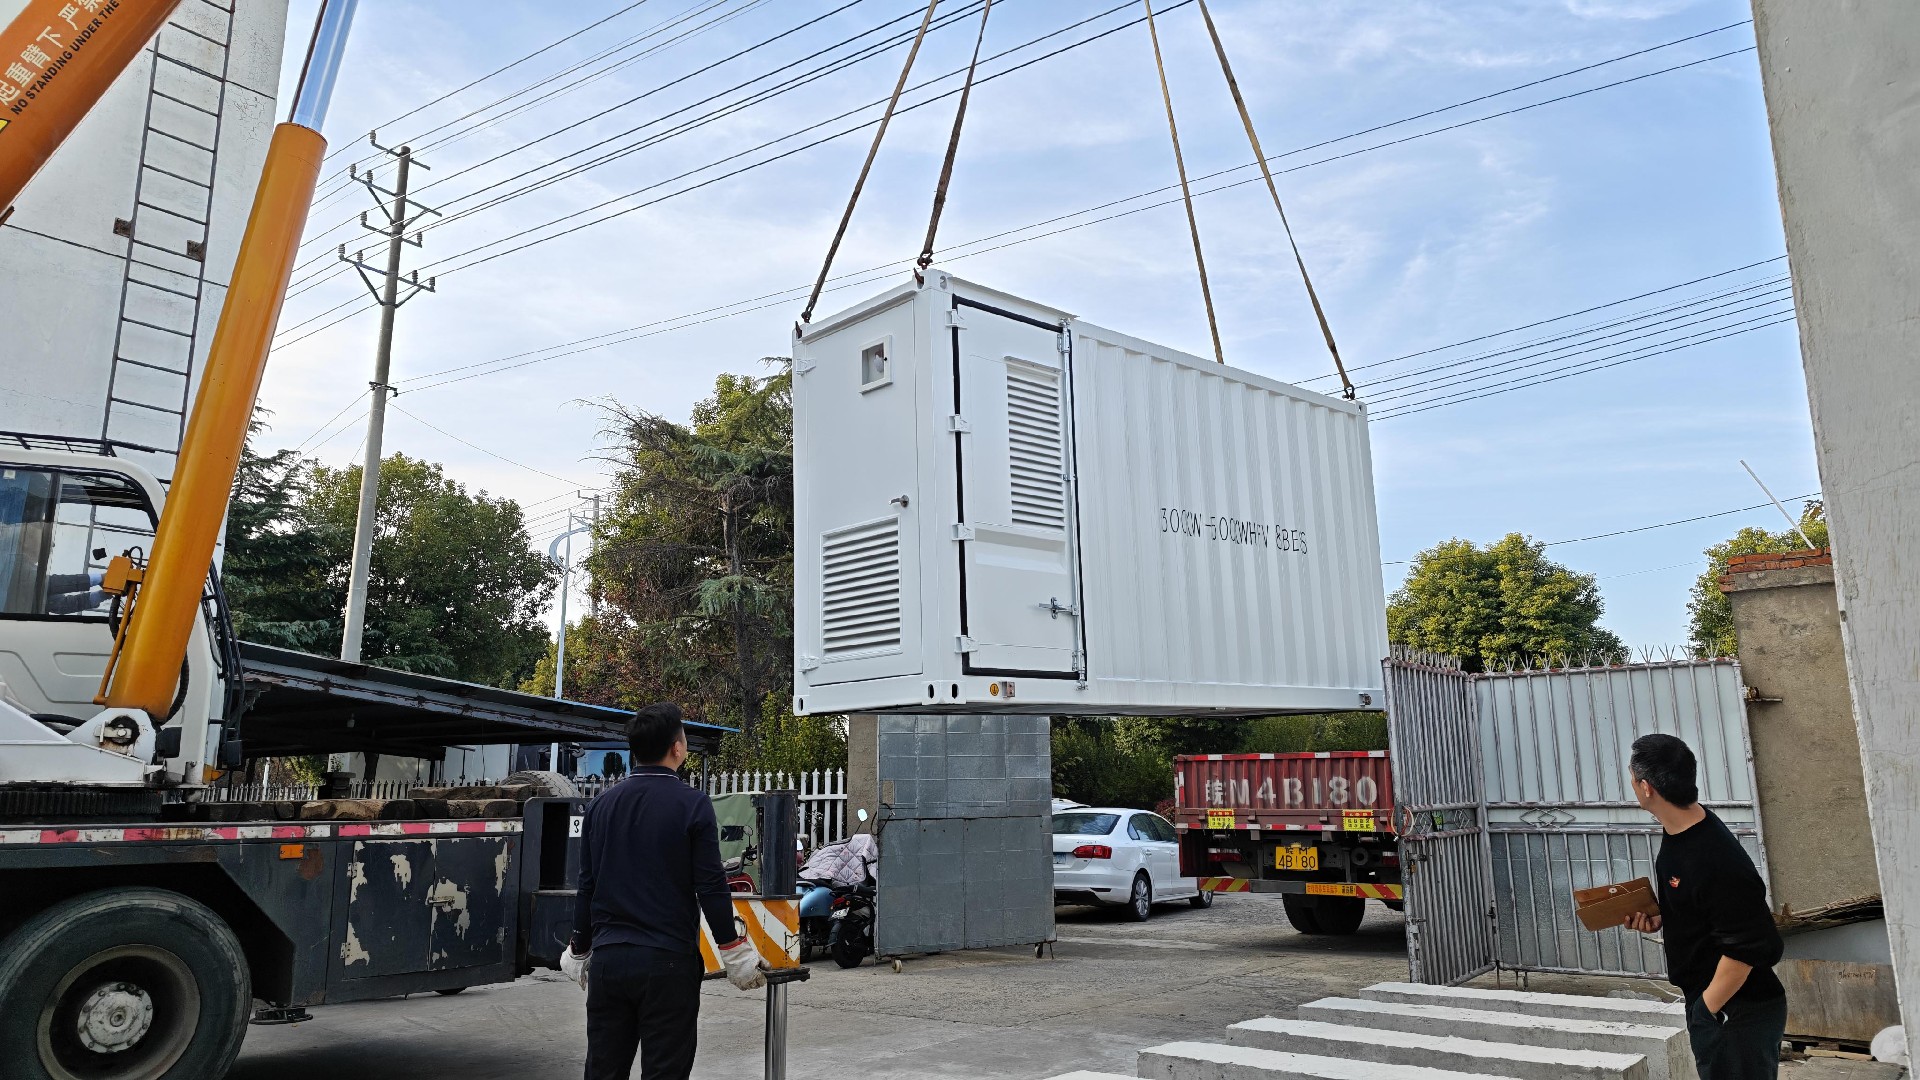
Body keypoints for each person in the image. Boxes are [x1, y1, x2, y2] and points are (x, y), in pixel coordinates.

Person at [562, 703, 766, 1080]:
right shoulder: (692, 805)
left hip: (608, 963)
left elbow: (587, 885)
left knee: (603, 1071)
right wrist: (733, 949)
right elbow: (710, 885)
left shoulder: (600, 807)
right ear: (677, 747)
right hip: (667, 963)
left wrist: (579, 947)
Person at [1623, 733, 1786, 1079]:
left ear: (1647, 787)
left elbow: (1748, 945)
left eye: (1633, 779)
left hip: (1736, 1011)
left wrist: (1707, 1010)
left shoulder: (1713, 858)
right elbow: (1708, 907)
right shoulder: (1683, 830)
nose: (1632, 786)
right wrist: (1664, 915)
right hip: (1721, 1007)